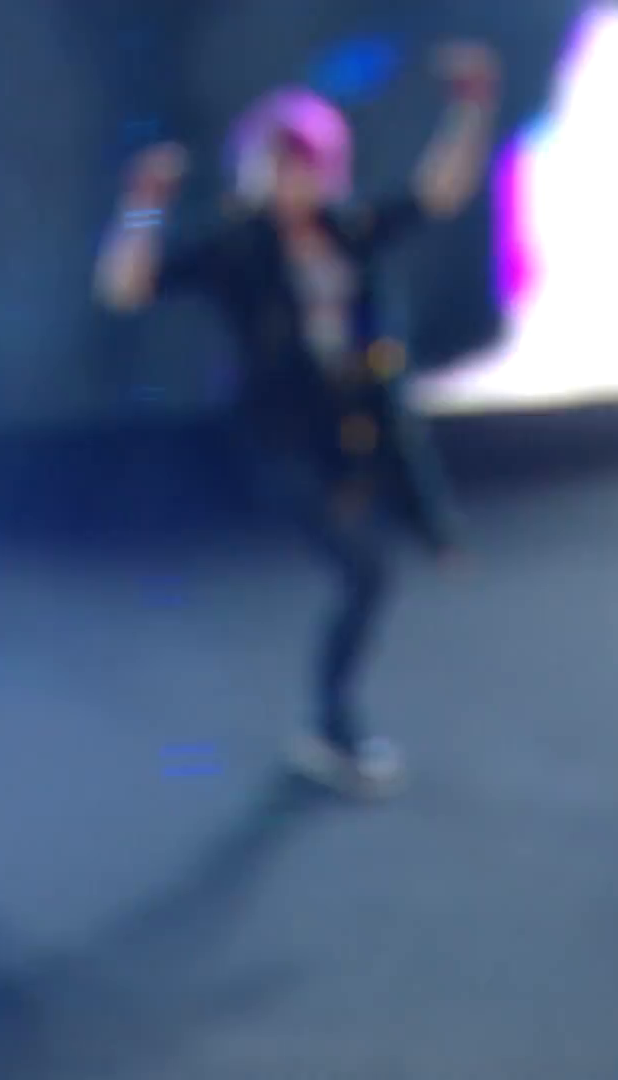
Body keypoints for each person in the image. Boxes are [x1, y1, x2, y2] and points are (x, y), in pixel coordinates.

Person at [95, 43, 499, 798]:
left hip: (356, 428)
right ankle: (333, 726)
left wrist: (471, 108)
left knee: (375, 568)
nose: (292, 181)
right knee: (367, 572)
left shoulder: (349, 230)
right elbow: (126, 285)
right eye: (279, 166)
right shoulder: (239, 250)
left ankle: (334, 716)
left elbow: (437, 193)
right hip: (283, 443)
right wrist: (144, 203)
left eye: (304, 166)